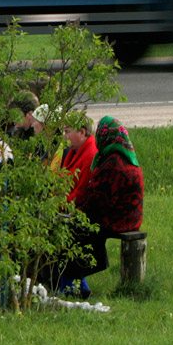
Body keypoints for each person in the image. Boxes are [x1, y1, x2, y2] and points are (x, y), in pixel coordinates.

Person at [60, 116, 144, 286]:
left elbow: (98, 204)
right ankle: (76, 283)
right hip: (126, 216)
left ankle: (68, 284)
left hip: (119, 220)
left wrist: (76, 214)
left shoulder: (113, 164)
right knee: (73, 227)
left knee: (72, 232)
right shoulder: (122, 157)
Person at [61, 116, 98, 203]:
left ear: (82, 132)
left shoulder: (90, 156)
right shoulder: (75, 151)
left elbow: (80, 194)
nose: (64, 136)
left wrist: (57, 205)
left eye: (67, 132)